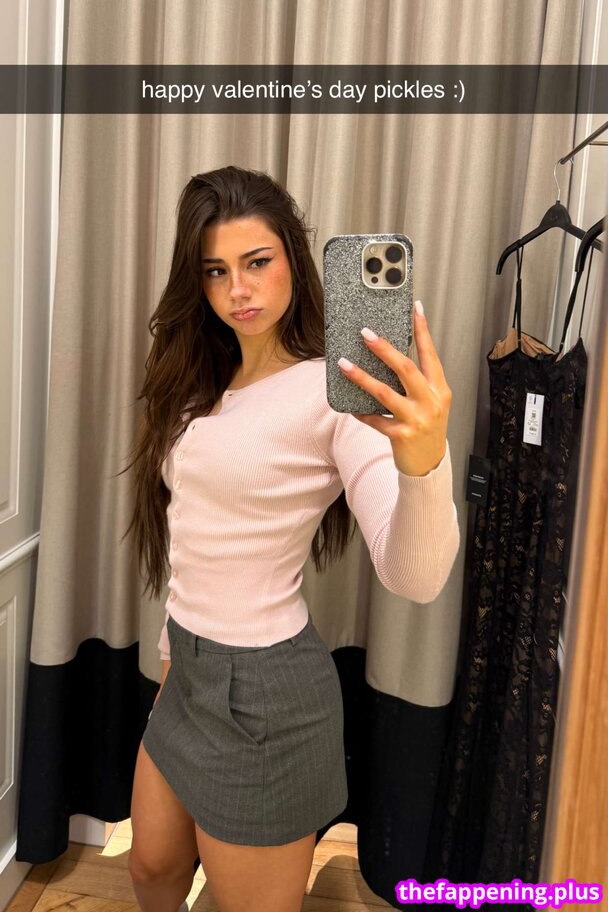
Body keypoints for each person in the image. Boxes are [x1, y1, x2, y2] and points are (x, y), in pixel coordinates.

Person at [122, 165, 459, 912]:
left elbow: (416, 577)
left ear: (294, 262)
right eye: (216, 270)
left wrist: (424, 462)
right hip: (188, 671)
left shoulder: (334, 396)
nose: (237, 289)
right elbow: (193, 538)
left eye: (257, 262)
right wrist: (173, 658)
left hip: (266, 696)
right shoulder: (201, 383)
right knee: (150, 868)